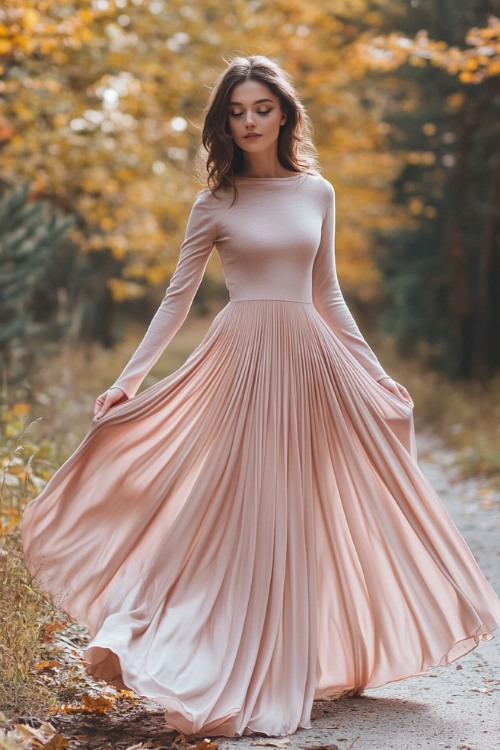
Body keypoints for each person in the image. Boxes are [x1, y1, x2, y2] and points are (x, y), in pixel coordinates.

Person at [22, 54, 500, 739]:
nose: (248, 122)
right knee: (229, 512)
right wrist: (129, 377)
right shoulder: (215, 203)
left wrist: (373, 368)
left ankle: (288, 665)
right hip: (239, 366)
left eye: (261, 109)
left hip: (310, 365)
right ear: (225, 122)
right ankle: (178, 645)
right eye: (237, 112)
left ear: (284, 113)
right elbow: (175, 300)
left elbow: (326, 293)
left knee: (299, 513)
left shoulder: (318, 192)